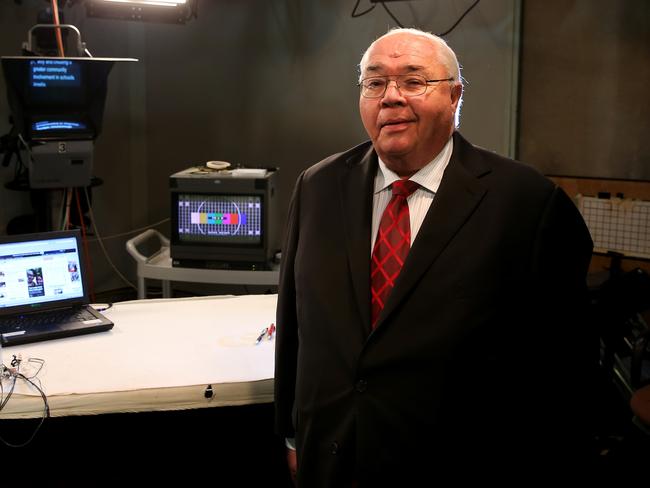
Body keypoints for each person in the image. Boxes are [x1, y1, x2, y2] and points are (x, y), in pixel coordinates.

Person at [274, 28, 596, 486]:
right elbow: (295, 323)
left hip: (457, 464)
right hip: (332, 455)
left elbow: (565, 367)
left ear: (454, 96)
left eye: (413, 81)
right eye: (375, 82)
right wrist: (291, 435)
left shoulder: (526, 202)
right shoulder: (318, 186)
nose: (390, 97)